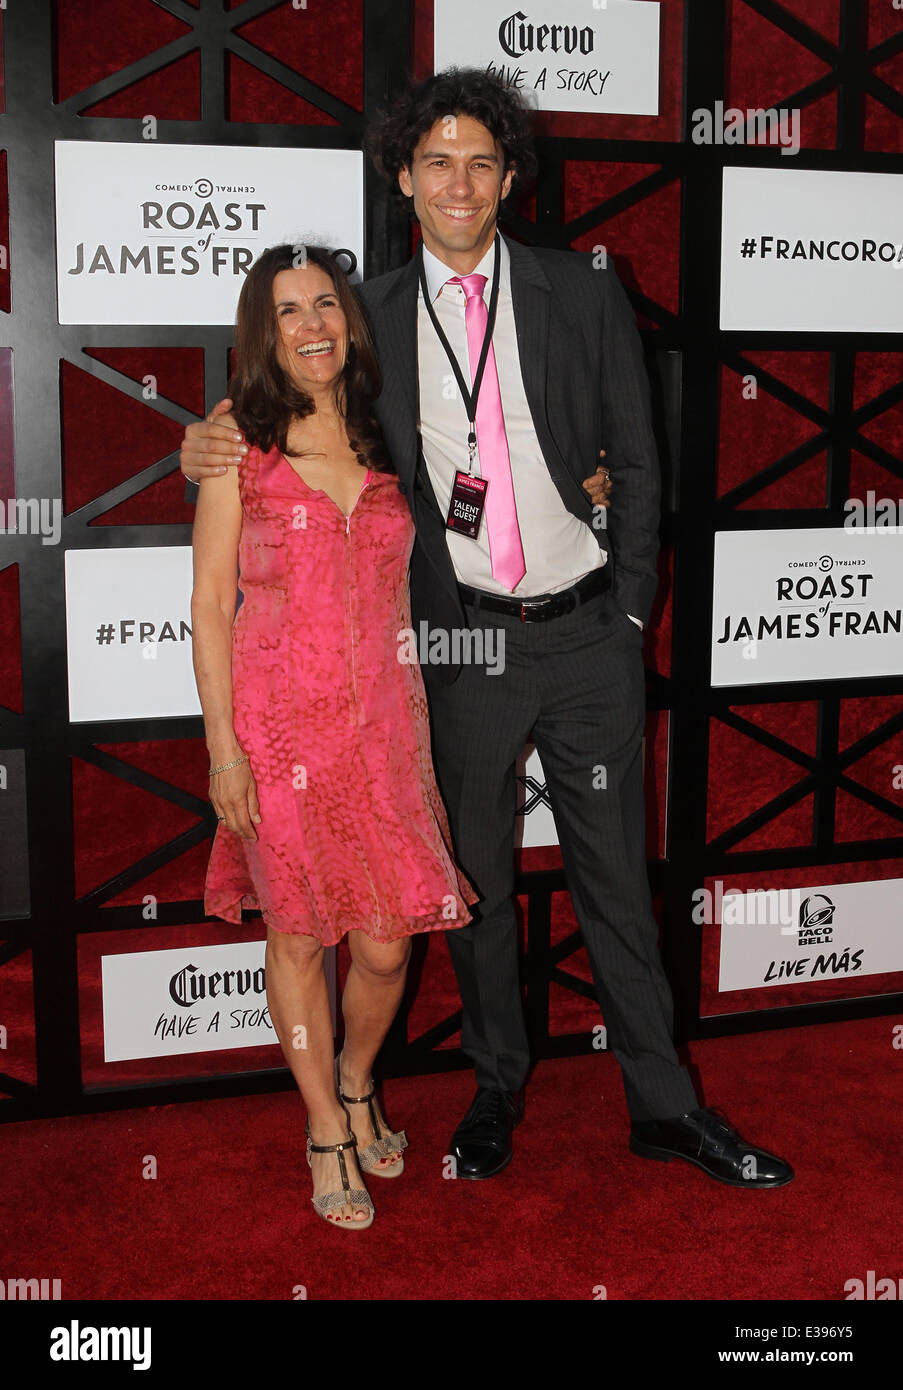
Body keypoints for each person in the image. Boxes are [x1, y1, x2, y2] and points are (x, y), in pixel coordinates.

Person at [182, 69, 793, 1191]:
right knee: (475, 891)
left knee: (616, 876)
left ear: (509, 179)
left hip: (587, 637)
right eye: (436, 161)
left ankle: (664, 1104)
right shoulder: (361, 317)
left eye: (480, 161)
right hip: (457, 649)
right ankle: (496, 1088)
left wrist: (634, 612)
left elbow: (640, 459)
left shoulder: (580, 290)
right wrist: (202, 443)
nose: (458, 183)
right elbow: (279, 408)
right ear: (403, 178)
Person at [190, 242, 478, 1229]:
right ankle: (324, 1126)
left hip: (385, 731)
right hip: (276, 733)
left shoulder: (390, 430)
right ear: (263, 335)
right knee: (301, 937)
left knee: (389, 947)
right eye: (288, 311)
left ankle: (357, 1076)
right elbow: (209, 607)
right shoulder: (240, 441)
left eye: (326, 304)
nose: (312, 324)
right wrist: (224, 749)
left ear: (350, 322)